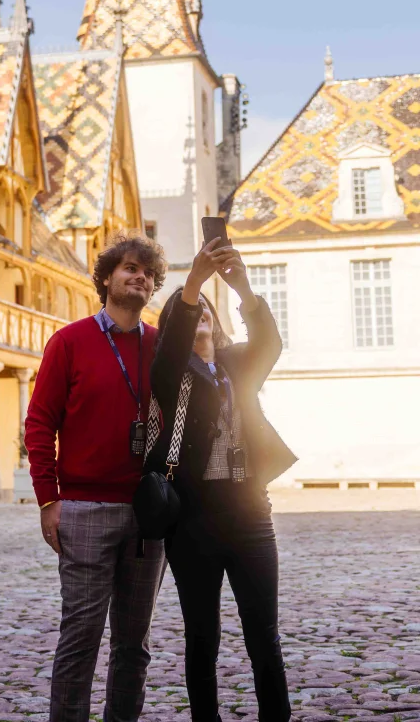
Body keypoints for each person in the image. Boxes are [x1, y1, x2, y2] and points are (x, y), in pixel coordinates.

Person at [146, 238, 296, 722]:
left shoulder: (238, 366)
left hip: (251, 517)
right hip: (191, 523)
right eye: (190, 311)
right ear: (176, 325)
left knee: (263, 635)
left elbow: (270, 342)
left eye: (206, 308)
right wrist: (191, 283)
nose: (201, 313)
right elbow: (168, 355)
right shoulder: (169, 374)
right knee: (202, 640)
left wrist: (242, 287)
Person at [24, 233, 168, 722]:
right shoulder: (69, 341)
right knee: (81, 637)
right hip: (85, 509)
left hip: (148, 512)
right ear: (106, 277)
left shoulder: (161, 345)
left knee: (134, 644)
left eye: (147, 272)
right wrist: (49, 500)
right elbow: (40, 423)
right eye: (128, 268)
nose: (139, 277)